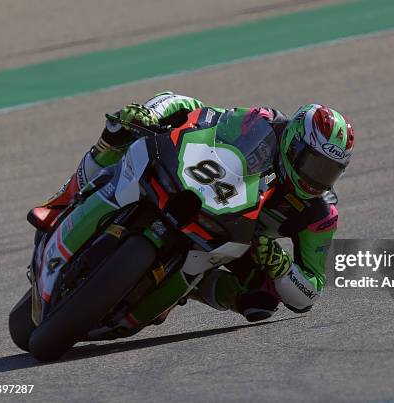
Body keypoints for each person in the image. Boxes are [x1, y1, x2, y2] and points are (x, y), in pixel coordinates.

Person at [29, 91, 354, 323]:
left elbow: (309, 293)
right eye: (312, 164)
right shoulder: (265, 122)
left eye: (328, 172)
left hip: (243, 240)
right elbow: (203, 112)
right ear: (293, 143)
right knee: (121, 132)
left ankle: (184, 289)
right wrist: (153, 114)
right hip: (203, 187)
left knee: (260, 300)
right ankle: (61, 203)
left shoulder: (319, 215)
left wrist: (281, 267)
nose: (315, 179)